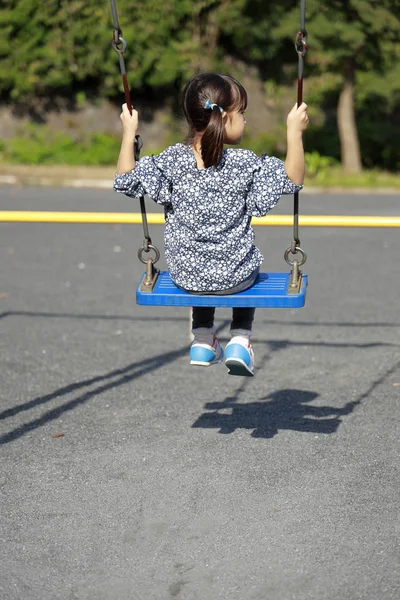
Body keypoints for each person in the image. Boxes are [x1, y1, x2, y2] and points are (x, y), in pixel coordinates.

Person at [114, 72, 309, 376]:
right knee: (245, 265)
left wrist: (128, 134)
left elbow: (126, 180)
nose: (245, 120)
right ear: (226, 117)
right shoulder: (245, 164)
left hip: (186, 278)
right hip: (237, 279)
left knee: (204, 273)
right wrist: (293, 133)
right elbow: (293, 179)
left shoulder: (172, 160)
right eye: (242, 113)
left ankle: (203, 338)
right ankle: (240, 339)